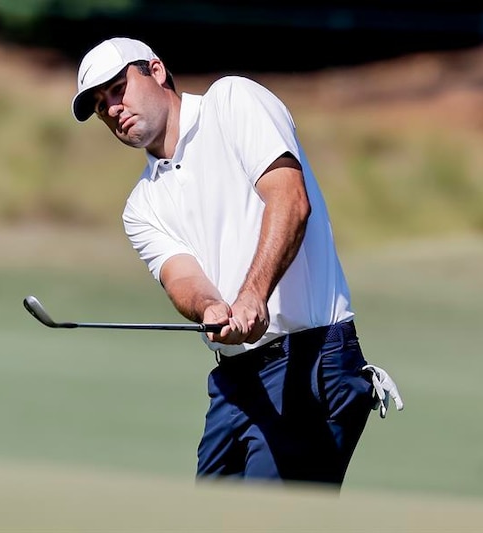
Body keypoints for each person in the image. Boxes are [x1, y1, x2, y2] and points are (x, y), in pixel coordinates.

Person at [70, 37, 403, 488]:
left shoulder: (232, 101)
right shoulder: (141, 205)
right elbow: (181, 276)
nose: (111, 108)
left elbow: (289, 199)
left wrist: (252, 297)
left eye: (117, 88)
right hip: (235, 382)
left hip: (311, 361)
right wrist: (210, 307)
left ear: (156, 70)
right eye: (98, 104)